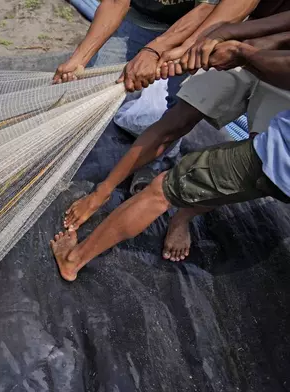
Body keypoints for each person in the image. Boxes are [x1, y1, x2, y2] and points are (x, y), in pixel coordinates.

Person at [51, 11, 290, 281]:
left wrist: (242, 52)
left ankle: (182, 215)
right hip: (248, 41)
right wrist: (210, 42)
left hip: (275, 69)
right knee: (180, 122)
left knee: (252, 157)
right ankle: (101, 194)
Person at [53, 0, 261, 193]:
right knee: (91, 86)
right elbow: (116, 2)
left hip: (201, 26)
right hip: (138, 20)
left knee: (179, 104)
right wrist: (79, 58)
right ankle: (67, 153)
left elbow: (207, 8)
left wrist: (156, 51)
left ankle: (153, 165)